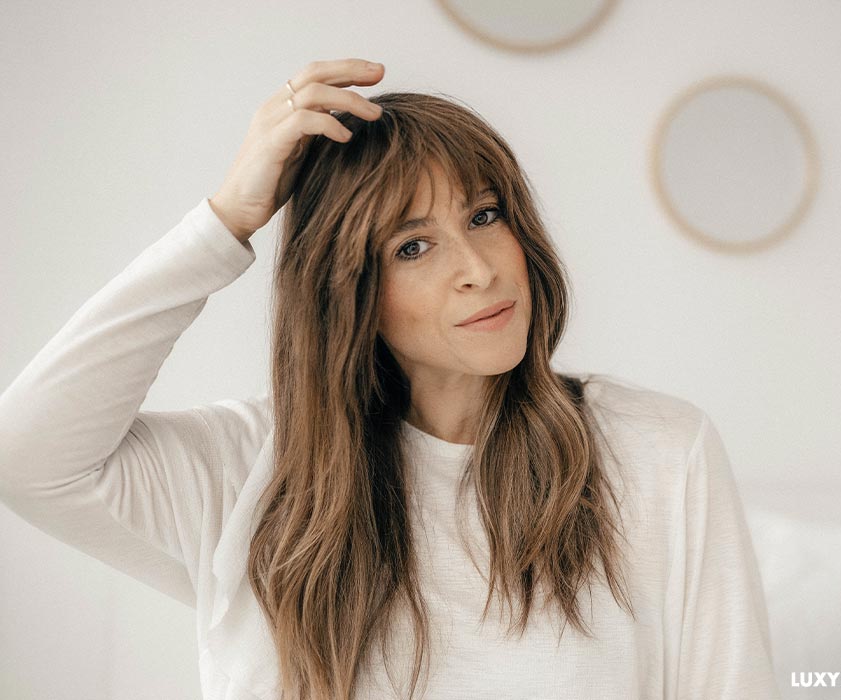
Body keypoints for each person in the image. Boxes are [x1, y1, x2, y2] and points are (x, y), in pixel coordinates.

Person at [0, 58, 781, 700]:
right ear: (347, 291)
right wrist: (228, 218)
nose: (479, 269)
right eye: (413, 247)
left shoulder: (655, 451)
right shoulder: (250, 472)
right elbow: (26, 457)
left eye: (484, 216)